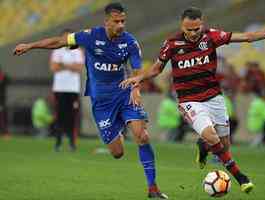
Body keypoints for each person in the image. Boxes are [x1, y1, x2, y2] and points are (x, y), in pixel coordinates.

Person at [120, 7, 265, 194]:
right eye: (190, 30)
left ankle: (203, 146)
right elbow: (156, 69)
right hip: (189, 100)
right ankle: (240, 177)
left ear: (202, 24)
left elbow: (248, 36)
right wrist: (139, 78)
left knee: (224, 146)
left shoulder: (211, 36)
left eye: (197, 28)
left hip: (214, 98)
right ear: (182, 26)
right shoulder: (171, 44)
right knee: (212, 137)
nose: (194, 33)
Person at [13, 3, 167, 199]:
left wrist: (136, 89)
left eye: (123, 21)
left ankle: (153, 187)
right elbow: (59, 42)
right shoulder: (90, 36)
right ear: (107, 22)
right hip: (101, 103)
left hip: (124, 95)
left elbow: (137, 71)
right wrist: (30, 45)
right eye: (116, 21)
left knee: (142, 136)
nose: (121, 25)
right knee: (117, 153)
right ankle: (117, 130)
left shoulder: (129, 42)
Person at [49, 29, 84, 152]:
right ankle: (58, 143)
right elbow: (53, 67)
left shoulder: (78, 51)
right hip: (59, 88)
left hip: (72, 89)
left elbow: (79, 68)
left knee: (72, 117)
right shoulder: (56, 50)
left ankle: (72, 143)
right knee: (59, 116)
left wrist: (62, 64)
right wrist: (70, 66)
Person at [0, 66, 9, 139]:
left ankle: (4, 133)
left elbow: (7, 80)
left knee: (2, 117)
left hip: (1, 101)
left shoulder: (3, 76)